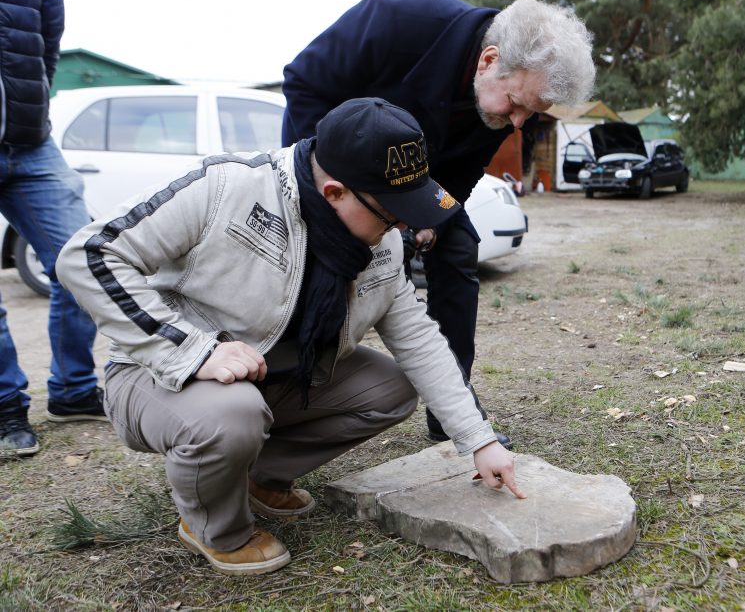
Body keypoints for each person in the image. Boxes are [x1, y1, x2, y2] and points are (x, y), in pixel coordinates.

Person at [56, 97, 523, 576]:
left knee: (392, 388)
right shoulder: (226, 188)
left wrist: (477, 440)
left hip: (270, 376)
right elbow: (90, 254)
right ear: (336, 192)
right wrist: (191, 351)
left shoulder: (378, 244)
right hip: (156, 374)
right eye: (390, 212)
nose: (403, 226)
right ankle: (216, 526)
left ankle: (255, 477)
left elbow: (419, 340)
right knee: (232, 414)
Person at [281, 0, 595, 447]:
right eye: (516, 104)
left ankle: (452, 408)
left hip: (415, 189)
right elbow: (303, 82)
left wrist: (431, 222)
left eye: (533, 113)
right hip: (333, 178)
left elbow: (464, 172)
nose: (519, 124)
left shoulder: (500, 107)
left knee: (460, 244)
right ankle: (289, 396)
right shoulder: (397, 21)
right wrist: (329, 189)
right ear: (489, 60)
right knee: (323, 271)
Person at [0, 0, 105, 457]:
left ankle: (73, 391)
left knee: (82, 260)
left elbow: (47, 39)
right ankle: (5, 407)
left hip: (31, 142)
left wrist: (32, 104)